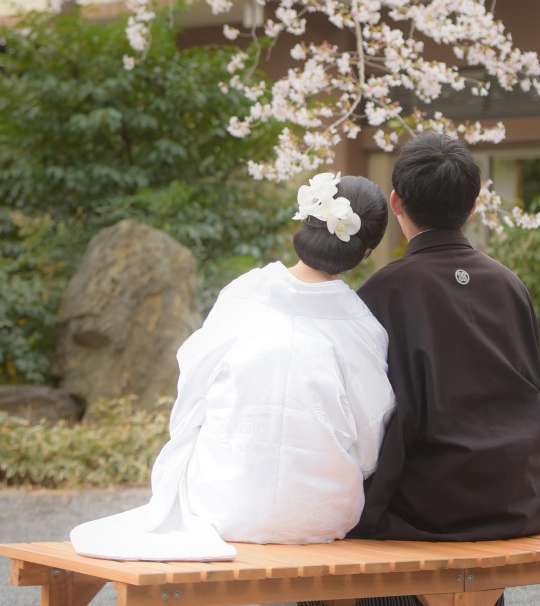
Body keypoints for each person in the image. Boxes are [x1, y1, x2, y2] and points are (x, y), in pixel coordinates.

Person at [70, 173, 396, 562]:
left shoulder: (244, 294)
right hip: (322, 516)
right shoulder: (362, 327)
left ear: (307, 218)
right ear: (366, 252)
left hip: (221, 504)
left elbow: (191, 400)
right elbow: (370, 445)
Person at [350, 132, 540, 547]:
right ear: (472, 205)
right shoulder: (509, 284)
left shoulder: (383, 291)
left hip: (433, 505)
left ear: (396, 202)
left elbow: (369, 414)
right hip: (518, 494)